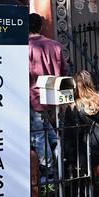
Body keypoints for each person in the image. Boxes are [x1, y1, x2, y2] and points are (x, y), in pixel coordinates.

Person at [29, 13, 69, 175]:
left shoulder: (26, 47)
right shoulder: (56, 45)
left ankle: (50, 169)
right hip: (53, 98)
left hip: (35, 98)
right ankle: (61, 163)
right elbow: (65, 72)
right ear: (40, 26)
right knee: (51, 132)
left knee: (39, 135)